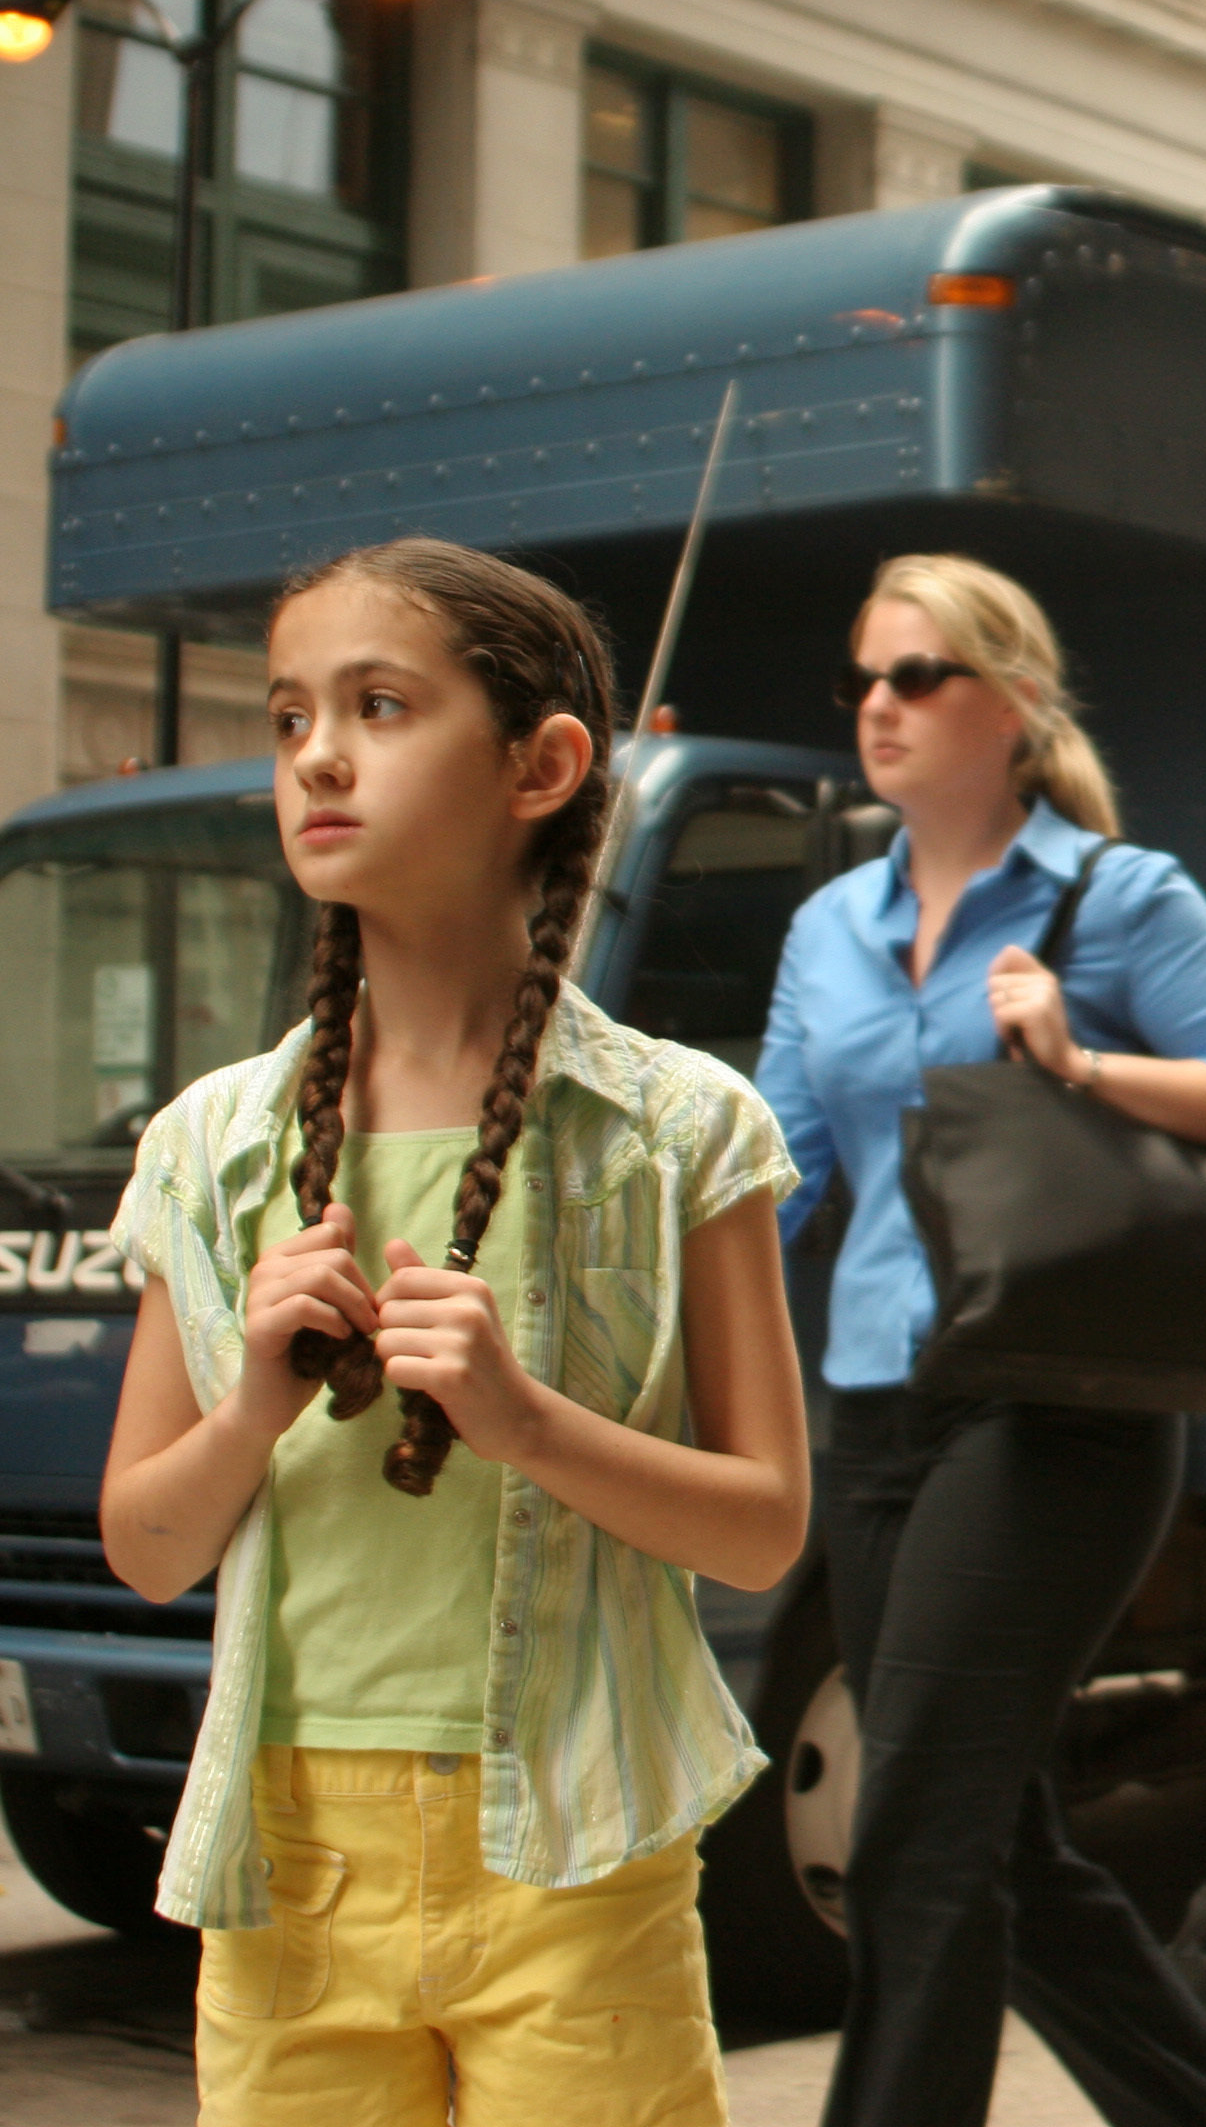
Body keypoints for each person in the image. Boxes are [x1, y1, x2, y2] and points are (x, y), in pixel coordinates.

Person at [97, 538, 811, 2124]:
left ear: (541, 765)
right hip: (290, 1870)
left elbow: (765, 1532)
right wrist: (247, 1415)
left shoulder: (680, 1130)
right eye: (289, 719)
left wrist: (526, 1419)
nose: (318, 758)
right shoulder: (209, 1147)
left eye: (380, 705)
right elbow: (145, 1548)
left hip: (576, 1847)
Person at [754, 556, 1206, 2127]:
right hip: (874, 1413)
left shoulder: (1116, 897)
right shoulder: (830, 929)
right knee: (993, 1829)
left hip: (1054, 1408)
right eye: (867, 678)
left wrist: (1082, 1061)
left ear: (1019, 701)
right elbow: (779, 1168)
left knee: (911, 1816)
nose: (880, 707)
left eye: (919, 676)